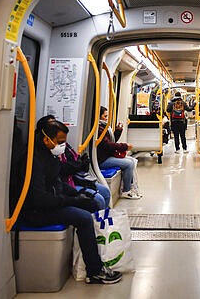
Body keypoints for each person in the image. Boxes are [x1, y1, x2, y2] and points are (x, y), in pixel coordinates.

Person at [18, 120, 122, 284]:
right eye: (59, 142)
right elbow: (39, 199)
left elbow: (58, 182)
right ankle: (94, 271)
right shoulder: (33, 160)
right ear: (46, 139)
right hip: (36, 211)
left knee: (93, 204)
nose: (62, 145)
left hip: (52, 202)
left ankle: (96, 252)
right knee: (84, 218)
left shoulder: (49, 155)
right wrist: (72, 200)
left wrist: (78, 193)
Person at [36, 115, 111, 210]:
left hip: (73, 180)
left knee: (105, 191)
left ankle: (104, 219)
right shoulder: (43, 153)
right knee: (98, 200)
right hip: (62, 188)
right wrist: (80, 165)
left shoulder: (62, 145)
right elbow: (62, 169)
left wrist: (80, 164)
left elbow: (73, 160)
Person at [97, 106, 141, 199]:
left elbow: (111, 142)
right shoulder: (99, 129)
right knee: (128, 164)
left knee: (132, 161)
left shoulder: (104, 127)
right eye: (105, 116)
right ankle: (126, 191)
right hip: (102, 159)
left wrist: (118, 131)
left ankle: (133, 187)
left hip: (107, 156)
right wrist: (125, 146)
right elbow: (107, 145)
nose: (106, 118)